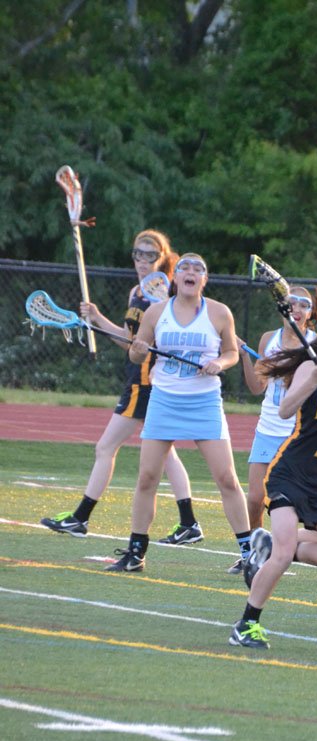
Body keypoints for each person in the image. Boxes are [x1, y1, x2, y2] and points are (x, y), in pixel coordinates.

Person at [40, 229, 203, 544]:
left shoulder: (169, 290)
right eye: (137, 254)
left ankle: (81, 518)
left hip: (146, 381)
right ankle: (189, 523)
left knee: (106, 447)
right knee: (165, 453)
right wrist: (97, 320)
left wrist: (100, 318)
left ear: (163, 256)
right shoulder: (135, 292)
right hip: (138, 375)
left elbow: (154, 339)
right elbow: (129, 344)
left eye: (150, 255)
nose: (142, 261)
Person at [228, 315, 317, 649]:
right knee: (278, 556)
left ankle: (283, 545)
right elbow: (284, 410)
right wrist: (312, 382)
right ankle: (246, 624)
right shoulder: (313, 368)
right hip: (290, 473)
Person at [106, 252, 251, 573]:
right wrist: (138, 350)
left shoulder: (219, 312)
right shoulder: (157, 312)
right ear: (175, 277)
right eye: (184, 267)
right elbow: (134, 353)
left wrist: (220, 363)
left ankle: (248, 552)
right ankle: (136, 552)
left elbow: (231, 352)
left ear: (205, 279)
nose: (190, 272)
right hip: (164, 400)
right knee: (147, 478)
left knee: (227, 478)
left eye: (198, 268)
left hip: (204, 402)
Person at [232, 284, 317, 574]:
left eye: (304, 305)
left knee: (298, 502)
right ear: (282, 307)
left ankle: (286, 549)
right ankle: (251, 553)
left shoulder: (316, 343)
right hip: (267, 428)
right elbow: (257, 386)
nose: (297, 308)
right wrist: (245, 357)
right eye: (292, 302)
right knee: (256, 498)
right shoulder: (268, 340)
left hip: (299, 432)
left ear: (310, 313)